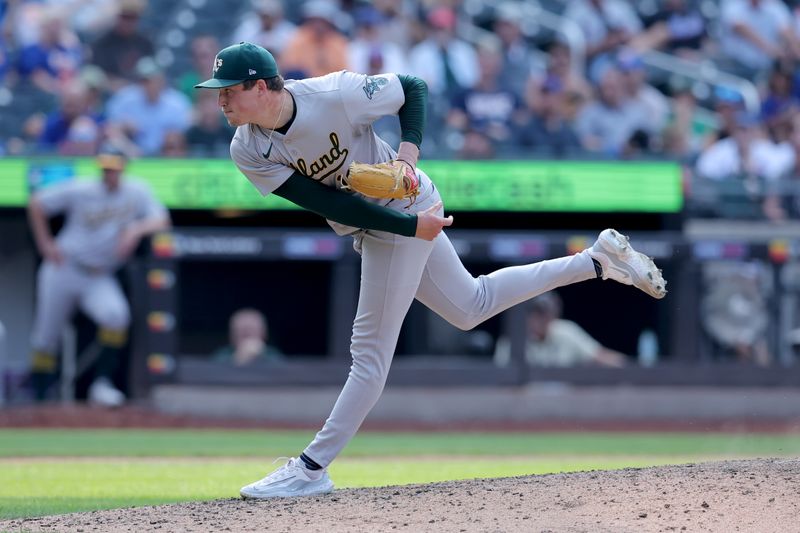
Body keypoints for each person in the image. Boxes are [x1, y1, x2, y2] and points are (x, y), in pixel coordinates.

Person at [194, 41, 667, 499]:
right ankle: (597, 261)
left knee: (369, 353)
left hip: (404, 207)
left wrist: (407, 160)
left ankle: (310, 469)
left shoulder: (334, 92)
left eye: (228, 89)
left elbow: (413, 87)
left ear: (260, 87)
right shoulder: (247, 148)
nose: (220, 99)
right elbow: (326, 201)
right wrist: (410, 225)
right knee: (472, 305)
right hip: (388, 218)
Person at [26, 146, 171, 406]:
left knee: (116, 317)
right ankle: (40, 398)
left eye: (114, 168)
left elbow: (162, 220)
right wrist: (45, 244)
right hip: (64, 268)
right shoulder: (82, 188)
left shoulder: (137, 191)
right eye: (106, 168)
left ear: (123, 168)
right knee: (46, 337)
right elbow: (36, 203)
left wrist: (135, 229)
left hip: (99, 275)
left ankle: (101, 384)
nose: (110, 173)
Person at [494, 292, 626, 368]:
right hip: (525, 406)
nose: (542, 319)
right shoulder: (512, 340)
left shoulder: (566, 331)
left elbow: (600, 356)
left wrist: (634, 367)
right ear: (527, 315)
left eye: (546, 313)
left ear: (554, 314)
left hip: (564, 404)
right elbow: (499, 380)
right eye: (537, 313)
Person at [212, 308, 283, 366]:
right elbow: (212, 373)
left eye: (251, 330)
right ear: (232, 336)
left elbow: (283, 372)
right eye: (241, 331)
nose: (247, 334)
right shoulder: (222, 355)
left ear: (263, 334)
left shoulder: (272, 355)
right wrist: (238, 358)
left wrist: (261, 355)